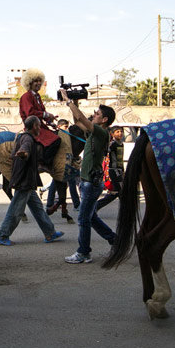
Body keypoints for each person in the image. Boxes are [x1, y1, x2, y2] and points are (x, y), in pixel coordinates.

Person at [60, 91, 117, 264]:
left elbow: (82, 119)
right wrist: (72, 105)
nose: (94, 115)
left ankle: (83, 252)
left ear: (104, 120)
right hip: (89, 182)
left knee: (83, 219)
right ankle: (115, 240)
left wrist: (69, 101)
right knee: (91, 218)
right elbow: (78, 120)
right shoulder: (95, 132)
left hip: (91, 183)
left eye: (98, 114)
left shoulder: (101, 132)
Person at [0, 116, 65, 246]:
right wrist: (24, 153)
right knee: (16, 210)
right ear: (34, 127)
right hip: (24, 181)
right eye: (38, 125)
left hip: (28, 181)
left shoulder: (24, 137)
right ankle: (2, 236)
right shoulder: (27, 138)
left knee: (38, 209)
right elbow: (25, 148)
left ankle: (50, 233)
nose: (40, 128)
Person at [46, 119, 82, 221]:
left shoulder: (67, 136)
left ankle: (67, 208)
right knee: (61, 185)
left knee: (65, 185)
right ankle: (52, 205)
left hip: (68, 164)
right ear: (59, 126)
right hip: (62, 165)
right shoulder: (58, 136)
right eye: (65, 127)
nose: (67, 129)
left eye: (67, 127)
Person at [96, 125, 124, 211]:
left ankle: (95, 207)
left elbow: (120, 159)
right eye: (117, 132)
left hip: (119, 170)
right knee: (119, 192)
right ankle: (95, 207)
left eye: (121, 132)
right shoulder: (112, 144)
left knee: (117, 192)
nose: (120, 133)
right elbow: (104, 151)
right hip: (113, 171)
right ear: (112, 134)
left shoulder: (121, 144)